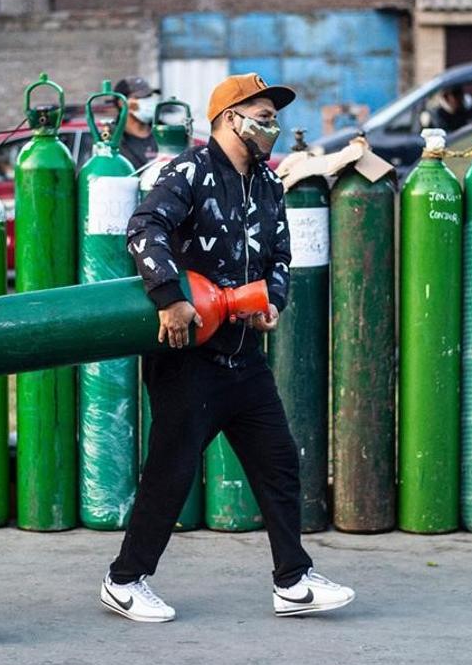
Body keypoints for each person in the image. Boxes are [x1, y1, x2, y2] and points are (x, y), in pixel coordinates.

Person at [100, 73, 356, 622]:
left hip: (244, 357)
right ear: (228, 118)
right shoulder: (187, 171)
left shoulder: (266, 182)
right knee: (172, 471)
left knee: (279, 463)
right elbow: (144, 228)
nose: (271, 125)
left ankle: (292, 579)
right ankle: (123, 580)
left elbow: (280, 255)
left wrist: (275, 302)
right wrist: (169, 297)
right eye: (261, 114)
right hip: (188, 357)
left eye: (273, 115)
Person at [113, 76, 160, 170]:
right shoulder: (111, 140)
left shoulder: (165, 132)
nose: (149, 101)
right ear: (122, 103)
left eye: (149, 96)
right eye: (140, 97)